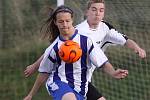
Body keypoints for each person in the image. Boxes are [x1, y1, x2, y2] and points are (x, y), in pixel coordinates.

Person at [24, 0, 146, 100]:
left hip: (82, 82)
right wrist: (34, 69)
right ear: (86, 12)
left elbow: (106, 59)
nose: (97, 13)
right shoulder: (73, 35)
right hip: (60, 80)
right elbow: (47, 59)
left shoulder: (98, 33)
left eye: (101, 10)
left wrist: (114, 71)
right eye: (94, 9)